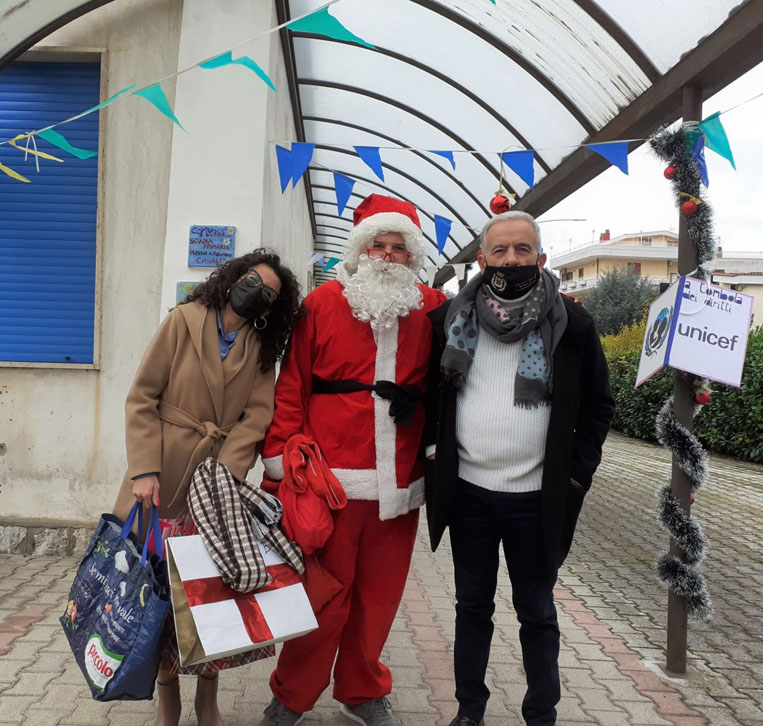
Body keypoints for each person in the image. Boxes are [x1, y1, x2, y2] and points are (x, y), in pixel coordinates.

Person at [259, 194, 446, 726]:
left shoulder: (430, 307)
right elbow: (292, 383)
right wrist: (279, 457)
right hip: (329, 482)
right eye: (377, 246)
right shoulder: (322, 304)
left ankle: (362, 690)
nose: (387, 257)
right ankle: (292, 694)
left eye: (398, 248)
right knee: (323, 597)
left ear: (412, 257)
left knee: (379, 597)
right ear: (360, 250)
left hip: (400, 481)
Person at [425, 211, 615, 726]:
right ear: (482, 259)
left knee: (537, 612)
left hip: (536, 499)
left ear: (541, 258)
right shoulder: (448, 322)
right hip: (469, 496)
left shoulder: (572, 326)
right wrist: (433, 456)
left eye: (523, 250)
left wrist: (577, 475)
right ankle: (469, 710)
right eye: (501, 251)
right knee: (471, 609)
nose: (512, 260)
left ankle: (541, 712)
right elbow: (429, 398)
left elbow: (599, 406)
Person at [112, 249, 303, 726]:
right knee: (157, 590)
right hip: (160, 476)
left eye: (270, 293)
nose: (257, 291)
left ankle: (208, 697)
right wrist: (143, 469)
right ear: (234, 278)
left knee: (207, 595)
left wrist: (227, 472)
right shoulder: (184, 319)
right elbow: (142, 397)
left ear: (272, 308)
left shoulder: (262, 349)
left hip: (216, 487)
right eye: (252, 280)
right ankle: (167, 695)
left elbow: (257, 416)